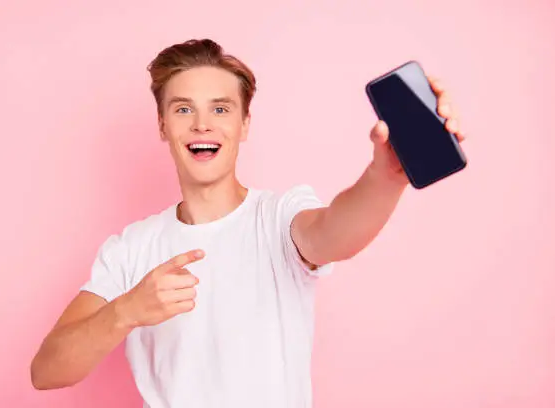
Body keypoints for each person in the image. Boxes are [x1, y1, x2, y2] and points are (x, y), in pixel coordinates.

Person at [30, 38, 465, 407]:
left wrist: (386, 178)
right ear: (162, 125)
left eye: (220, 109)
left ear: (244, 124)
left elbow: (334, 232)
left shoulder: (278, 217)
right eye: (183, 110)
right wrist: (125, 311)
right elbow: (47, 370)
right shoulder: (130, 249)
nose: (202, 124)